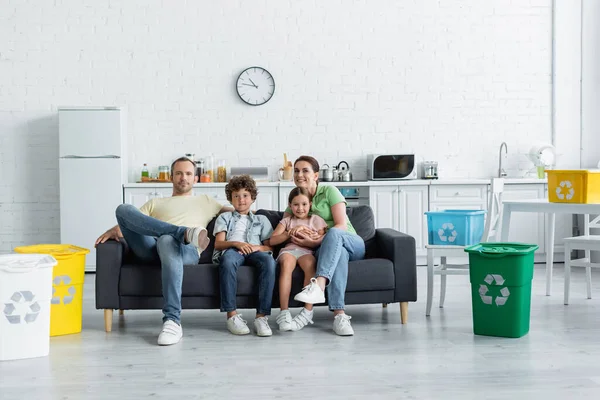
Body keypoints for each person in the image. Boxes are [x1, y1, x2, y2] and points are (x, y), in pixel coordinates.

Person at [95, 157, 230, 346]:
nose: (184, 177)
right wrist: (113, 231)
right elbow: (129, 222)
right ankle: (182, 232)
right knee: (123, 208)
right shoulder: (155, 202)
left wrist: (285, 215)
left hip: (186, 251)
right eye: (179, 173)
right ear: (171, 177)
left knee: (168, 240)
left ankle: (172, 321)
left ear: (195, 179)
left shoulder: (206, 201)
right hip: (151, 249)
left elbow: (240, 210)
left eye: (188, 174)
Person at [285, 155, 366, 336]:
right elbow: (284, 228)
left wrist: (314, 241)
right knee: (339, 256)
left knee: (335, 232)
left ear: (315, 175)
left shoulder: (329, 190)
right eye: (296, 171)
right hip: (328, 251)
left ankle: (319, 285)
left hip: (351, 241)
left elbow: (341, 225)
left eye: (305, 170)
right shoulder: (297, 199)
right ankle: (339, 316)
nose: (299, 174)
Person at [213, 175, 276, 337]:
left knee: (269, 261)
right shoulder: (224, 217)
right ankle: (232, 316)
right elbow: (218, 244)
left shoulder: (262, 220)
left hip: (255, 250)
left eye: (245, 195)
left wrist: (256, 247)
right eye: (236, 196)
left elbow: (269, 246)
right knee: (227, 261)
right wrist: (236, 244)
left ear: (252, 197)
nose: (241, 200)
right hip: (233, 250)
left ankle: (261, 317)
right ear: (230, 199)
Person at [269, 187, 327, 332]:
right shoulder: (286, 221)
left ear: (310, 205)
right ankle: (284, 312)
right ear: (289, 205)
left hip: (306, 251)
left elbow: (324, 236)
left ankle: (307, 310)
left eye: (304, 204)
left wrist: (314, 236)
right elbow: (273, 241)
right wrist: (290, 233)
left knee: (310, 264)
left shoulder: (316, 220)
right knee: (287, 264)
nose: (300, 208)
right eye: (296, 205)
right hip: (288, 250)